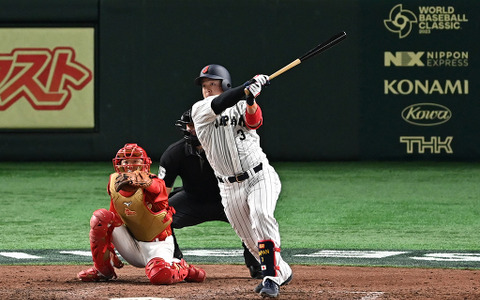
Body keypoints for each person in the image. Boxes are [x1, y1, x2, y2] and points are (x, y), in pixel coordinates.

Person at [190, 64, 293, 298]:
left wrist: (250, 98)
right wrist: (247, 87)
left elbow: (254, 122)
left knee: (261, 215)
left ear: (224, 84)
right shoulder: (200, 110)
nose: (207, 89)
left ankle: (270, 278)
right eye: (204, 86)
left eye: (212, 84)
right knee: (250, 240)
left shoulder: (241, 102)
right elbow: (219, 103)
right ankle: (281, 271)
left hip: (259, 176)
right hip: (228, 187)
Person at [77, 143, 206, 285]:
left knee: (160, 276)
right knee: (101, 217)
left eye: (135, 161)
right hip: (131, 243)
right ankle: (102, 270)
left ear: (144, 164)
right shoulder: (114, 182)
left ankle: (182, 267)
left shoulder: (156, 183)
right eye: (126, 162)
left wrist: (146, 183)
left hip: (158, 245)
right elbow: (114, 217)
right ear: (119, 164)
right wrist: (109, 247)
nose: (130, 166)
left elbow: (157, 188)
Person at [158, 109, 263, 279]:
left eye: (198, 124)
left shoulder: (231, 148)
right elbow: (161, 194)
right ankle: (175, 262)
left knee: (255, 213)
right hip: (192, 199)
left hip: (228, 199)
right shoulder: (174, 153)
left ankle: (257, 264)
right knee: (160, 215)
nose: (193, 129)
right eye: (190, 125)